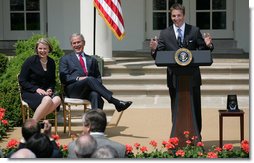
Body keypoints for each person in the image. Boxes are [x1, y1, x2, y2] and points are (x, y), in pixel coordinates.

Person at [150, 3, 214, 135]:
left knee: (195, 107)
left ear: (184, 16)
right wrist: (154, 49)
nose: (176, 18)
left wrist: (208, 45)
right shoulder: (165, 33)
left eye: (179, 15)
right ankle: (177, 136)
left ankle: (197, 136)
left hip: (193, 77)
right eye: (173, 16)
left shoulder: (194, 31)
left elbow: (202, 51)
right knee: (176, 107)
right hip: (174, 78)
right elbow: (159, 56)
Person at [59, 33, 132, 111]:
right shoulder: (65, 59)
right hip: (73, 90)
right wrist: (78, 78)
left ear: (84, 43)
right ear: (71, 45)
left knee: (96, 95)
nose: (77, 45)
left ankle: (96, 121)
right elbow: (64, 78)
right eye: (74, 43)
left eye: (79, 42)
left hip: (87, 91)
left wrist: (96, 86)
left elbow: (98, 77)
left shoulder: (92, 60)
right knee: (89, 79)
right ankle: (114, 101)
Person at [18, 38, 61, 121]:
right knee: (48, 99)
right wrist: (36, 89)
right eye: (40, 48)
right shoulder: (30, 61)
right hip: (30, 92)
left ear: (49, 49)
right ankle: (33, 125)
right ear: (37, 49)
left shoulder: (51, 62)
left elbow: (52, 81)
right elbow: (22, 80)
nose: (42, 51)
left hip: (45, 93)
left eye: (45, 48)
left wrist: (50, 89)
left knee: (58, 99)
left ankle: (32, 123)